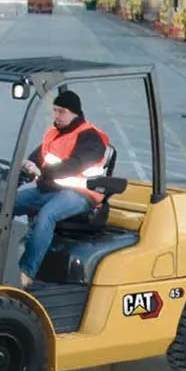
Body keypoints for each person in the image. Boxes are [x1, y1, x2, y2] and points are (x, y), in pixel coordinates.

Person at [14, 90, 111, 287]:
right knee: (7, 204)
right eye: (55, 111)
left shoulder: (91, 137)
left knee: (46, 215)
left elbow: (75, 165)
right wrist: (25, 168)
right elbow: (37, 157)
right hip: (51, 190)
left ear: (75, 113)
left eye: (61, 112)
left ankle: (26, 273)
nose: (56, 116)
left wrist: (43, 171)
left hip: (81, 195)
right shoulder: (53, 134)